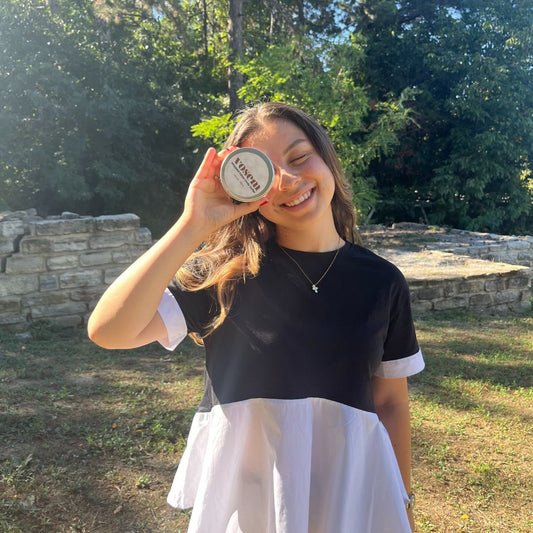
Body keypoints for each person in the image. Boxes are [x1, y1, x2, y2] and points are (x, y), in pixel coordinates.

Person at [88, 102, 424, 533]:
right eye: (264, 173)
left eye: (299, 158)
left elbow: (391, 403)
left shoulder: (383, 281)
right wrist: (192, 224)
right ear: (246, 190)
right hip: (250, 505)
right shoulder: (222, 276)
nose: (288, 180)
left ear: (327, 159)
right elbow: (109, 330)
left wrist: (402, 502)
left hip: (348, 494)